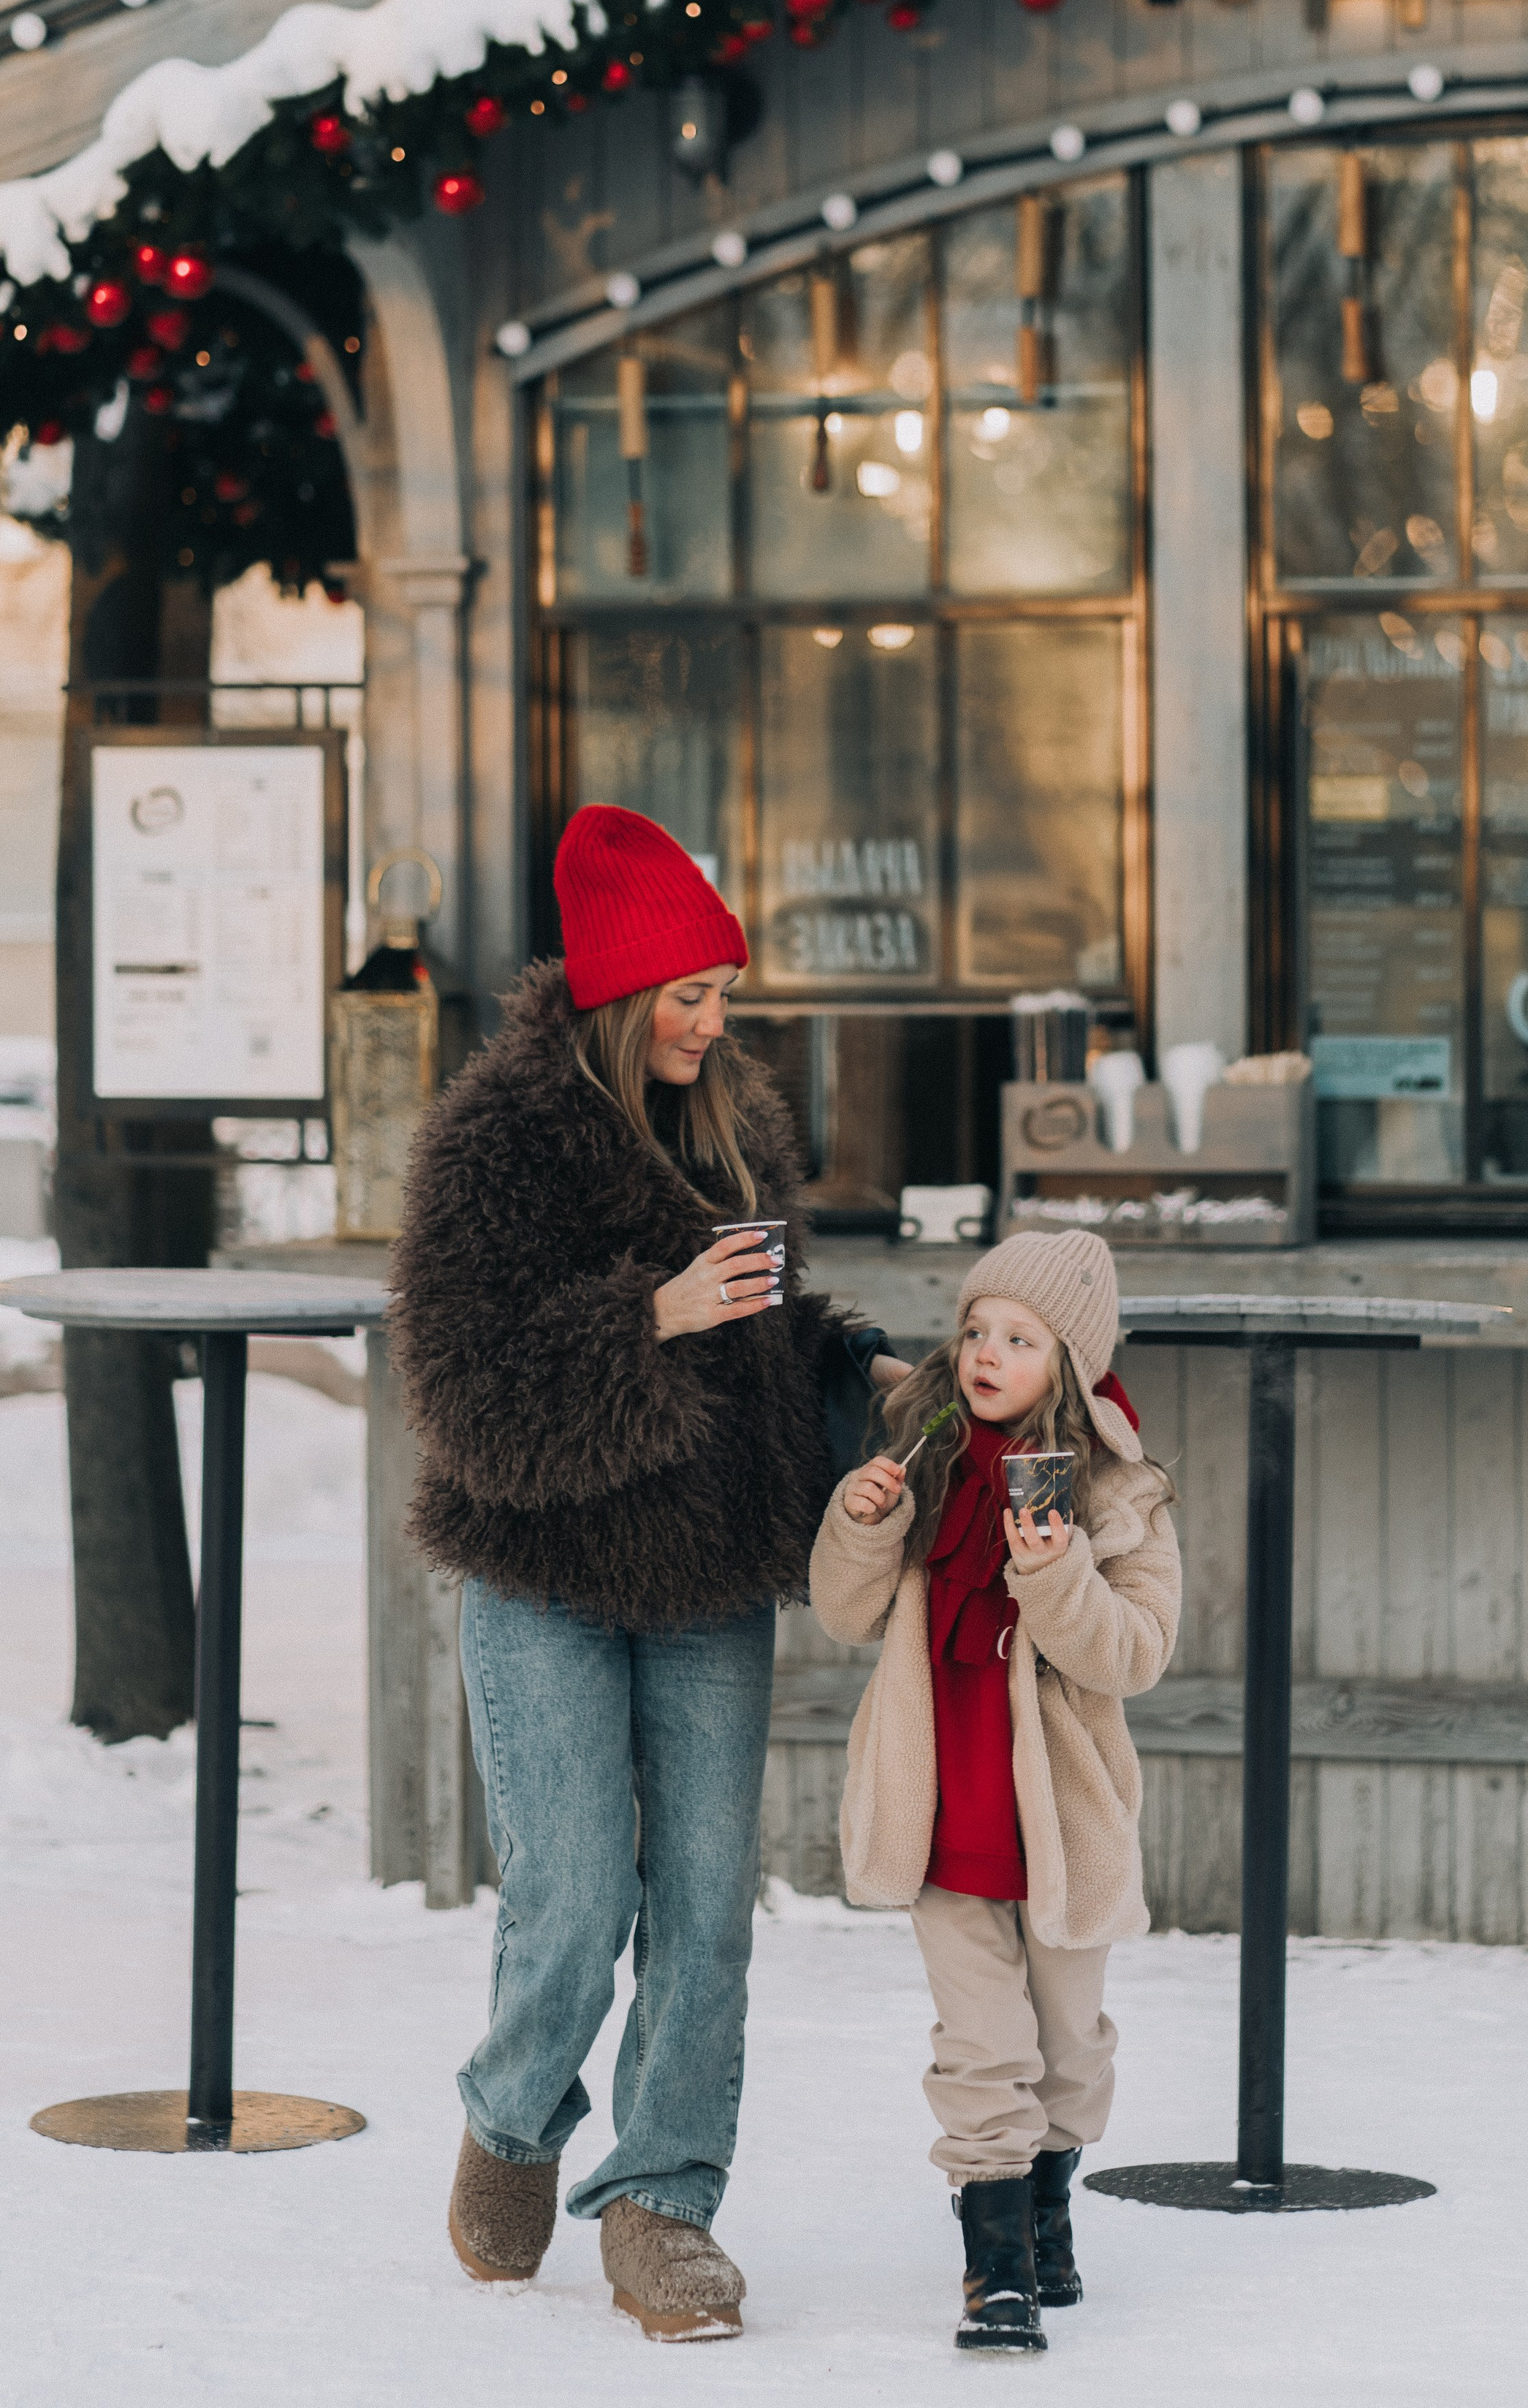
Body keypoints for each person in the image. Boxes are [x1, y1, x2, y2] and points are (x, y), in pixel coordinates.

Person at [389, 805, 905, 2342]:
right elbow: (460, 1392)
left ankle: (665, 2200)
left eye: (723, 995)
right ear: (617, 994)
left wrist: (851, 1362)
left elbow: (765, 1332)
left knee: (702, 1905)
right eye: (688, 996)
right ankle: (511, 2111)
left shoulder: (734, 1126)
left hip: (706, 1578)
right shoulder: (496, 1143)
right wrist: (648, 1321)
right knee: (569, 1899)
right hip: (542, 1565)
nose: (712, 1021)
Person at [808, 1229, 1181, 2356]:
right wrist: (862, 1524)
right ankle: (997, 2270)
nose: (986, 1353)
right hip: (944, 1806)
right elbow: (844, 1612)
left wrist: (1056, 1565)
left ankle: (1050, 2209)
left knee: (1069, 2047)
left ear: (1066, 1361)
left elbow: (1134, 1654)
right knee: (982, 2047)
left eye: (1019, 1338)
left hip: (1062, 1819)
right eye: (976, 1329)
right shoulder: (925, 1458)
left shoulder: (1119, 1491)